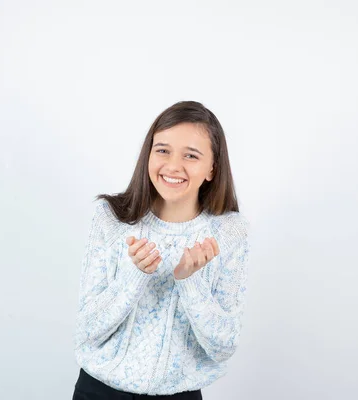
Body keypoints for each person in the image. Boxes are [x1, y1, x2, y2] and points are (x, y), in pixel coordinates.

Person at [72, 100, 250, 400]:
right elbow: (87, 330)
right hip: (99, 392)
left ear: (212, 168)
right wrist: (134, 275)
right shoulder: (111, 218)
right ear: (149, 154)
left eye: (191, 155)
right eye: (163, 150)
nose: (172, 166)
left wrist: (189, 280)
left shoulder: (229, 232)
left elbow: (223, 346)